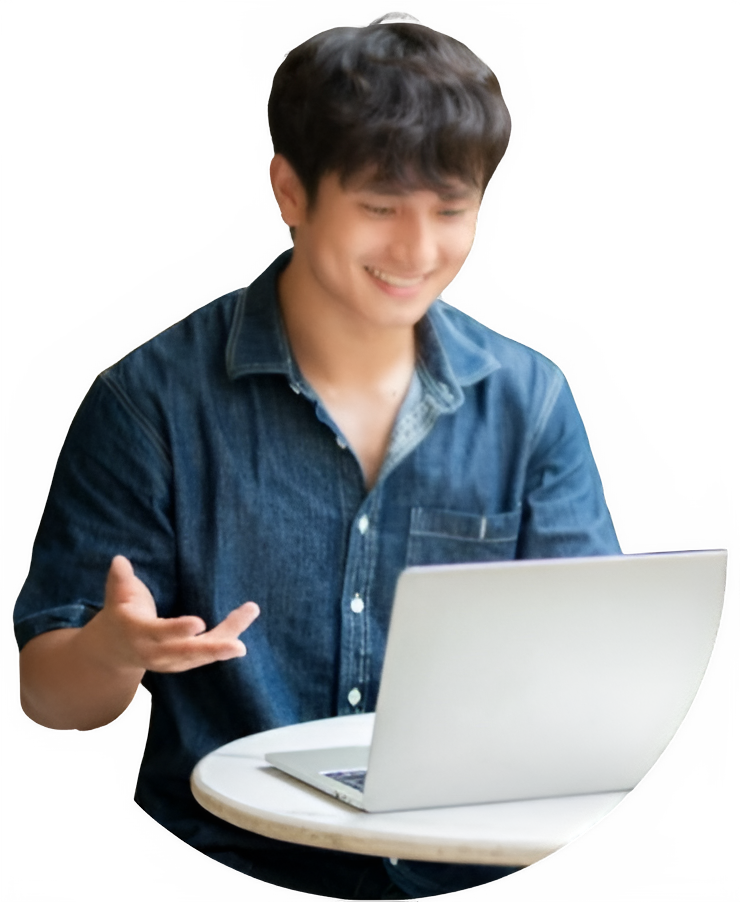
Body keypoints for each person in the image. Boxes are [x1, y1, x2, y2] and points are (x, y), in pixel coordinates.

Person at [14, 10, 620, 898]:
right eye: (379, 208)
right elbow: (48, 701)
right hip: (230, 863)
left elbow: (597, 666)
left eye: (451, 211)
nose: (417, 250)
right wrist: (113, 650)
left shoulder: (531, 399)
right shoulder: (148, 403)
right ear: (289, 192)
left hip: (473, 866)